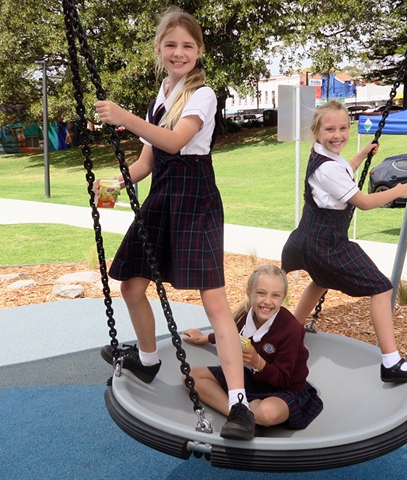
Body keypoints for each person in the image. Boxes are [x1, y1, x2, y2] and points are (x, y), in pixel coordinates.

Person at [94, 7, 255, 440]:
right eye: (171, 45)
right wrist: (114, 182)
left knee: (215, 304)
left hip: (195, 198)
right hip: (163, 195)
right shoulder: (162, 94)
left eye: (187, 45)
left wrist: (124, 117)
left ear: (199, 50)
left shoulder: (203, 95)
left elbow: (176, 141)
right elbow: (149, 159)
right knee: (130, 284)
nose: (178, 51)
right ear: (159, 49)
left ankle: (239, 404)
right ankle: (148, 360)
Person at [281, 100, 407, 384]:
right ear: (316, 131)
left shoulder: (323, 159)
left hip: (305, 239)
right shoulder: (328, 170)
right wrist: (398, 191)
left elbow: (343, 171)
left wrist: (361, 154)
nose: (337, 134)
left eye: (342, 128)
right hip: (327, 244)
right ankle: (391, 361)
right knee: (381, 288)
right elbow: (362, 202)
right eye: (329, 129)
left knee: (320, 281)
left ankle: (293, 330)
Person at [183, 265, 323, 432]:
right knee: (190, 377)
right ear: (249, 293)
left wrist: (258, 361)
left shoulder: (291, 329)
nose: (267, 301)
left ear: (283, 297)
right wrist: (205, 337)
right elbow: (230, 336)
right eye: (261, 293)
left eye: (275, 295)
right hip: (250, 379)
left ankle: (248, 415)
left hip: (284, 388)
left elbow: (285, 380)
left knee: (267, 414)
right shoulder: (245, 316)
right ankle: (239, 415)